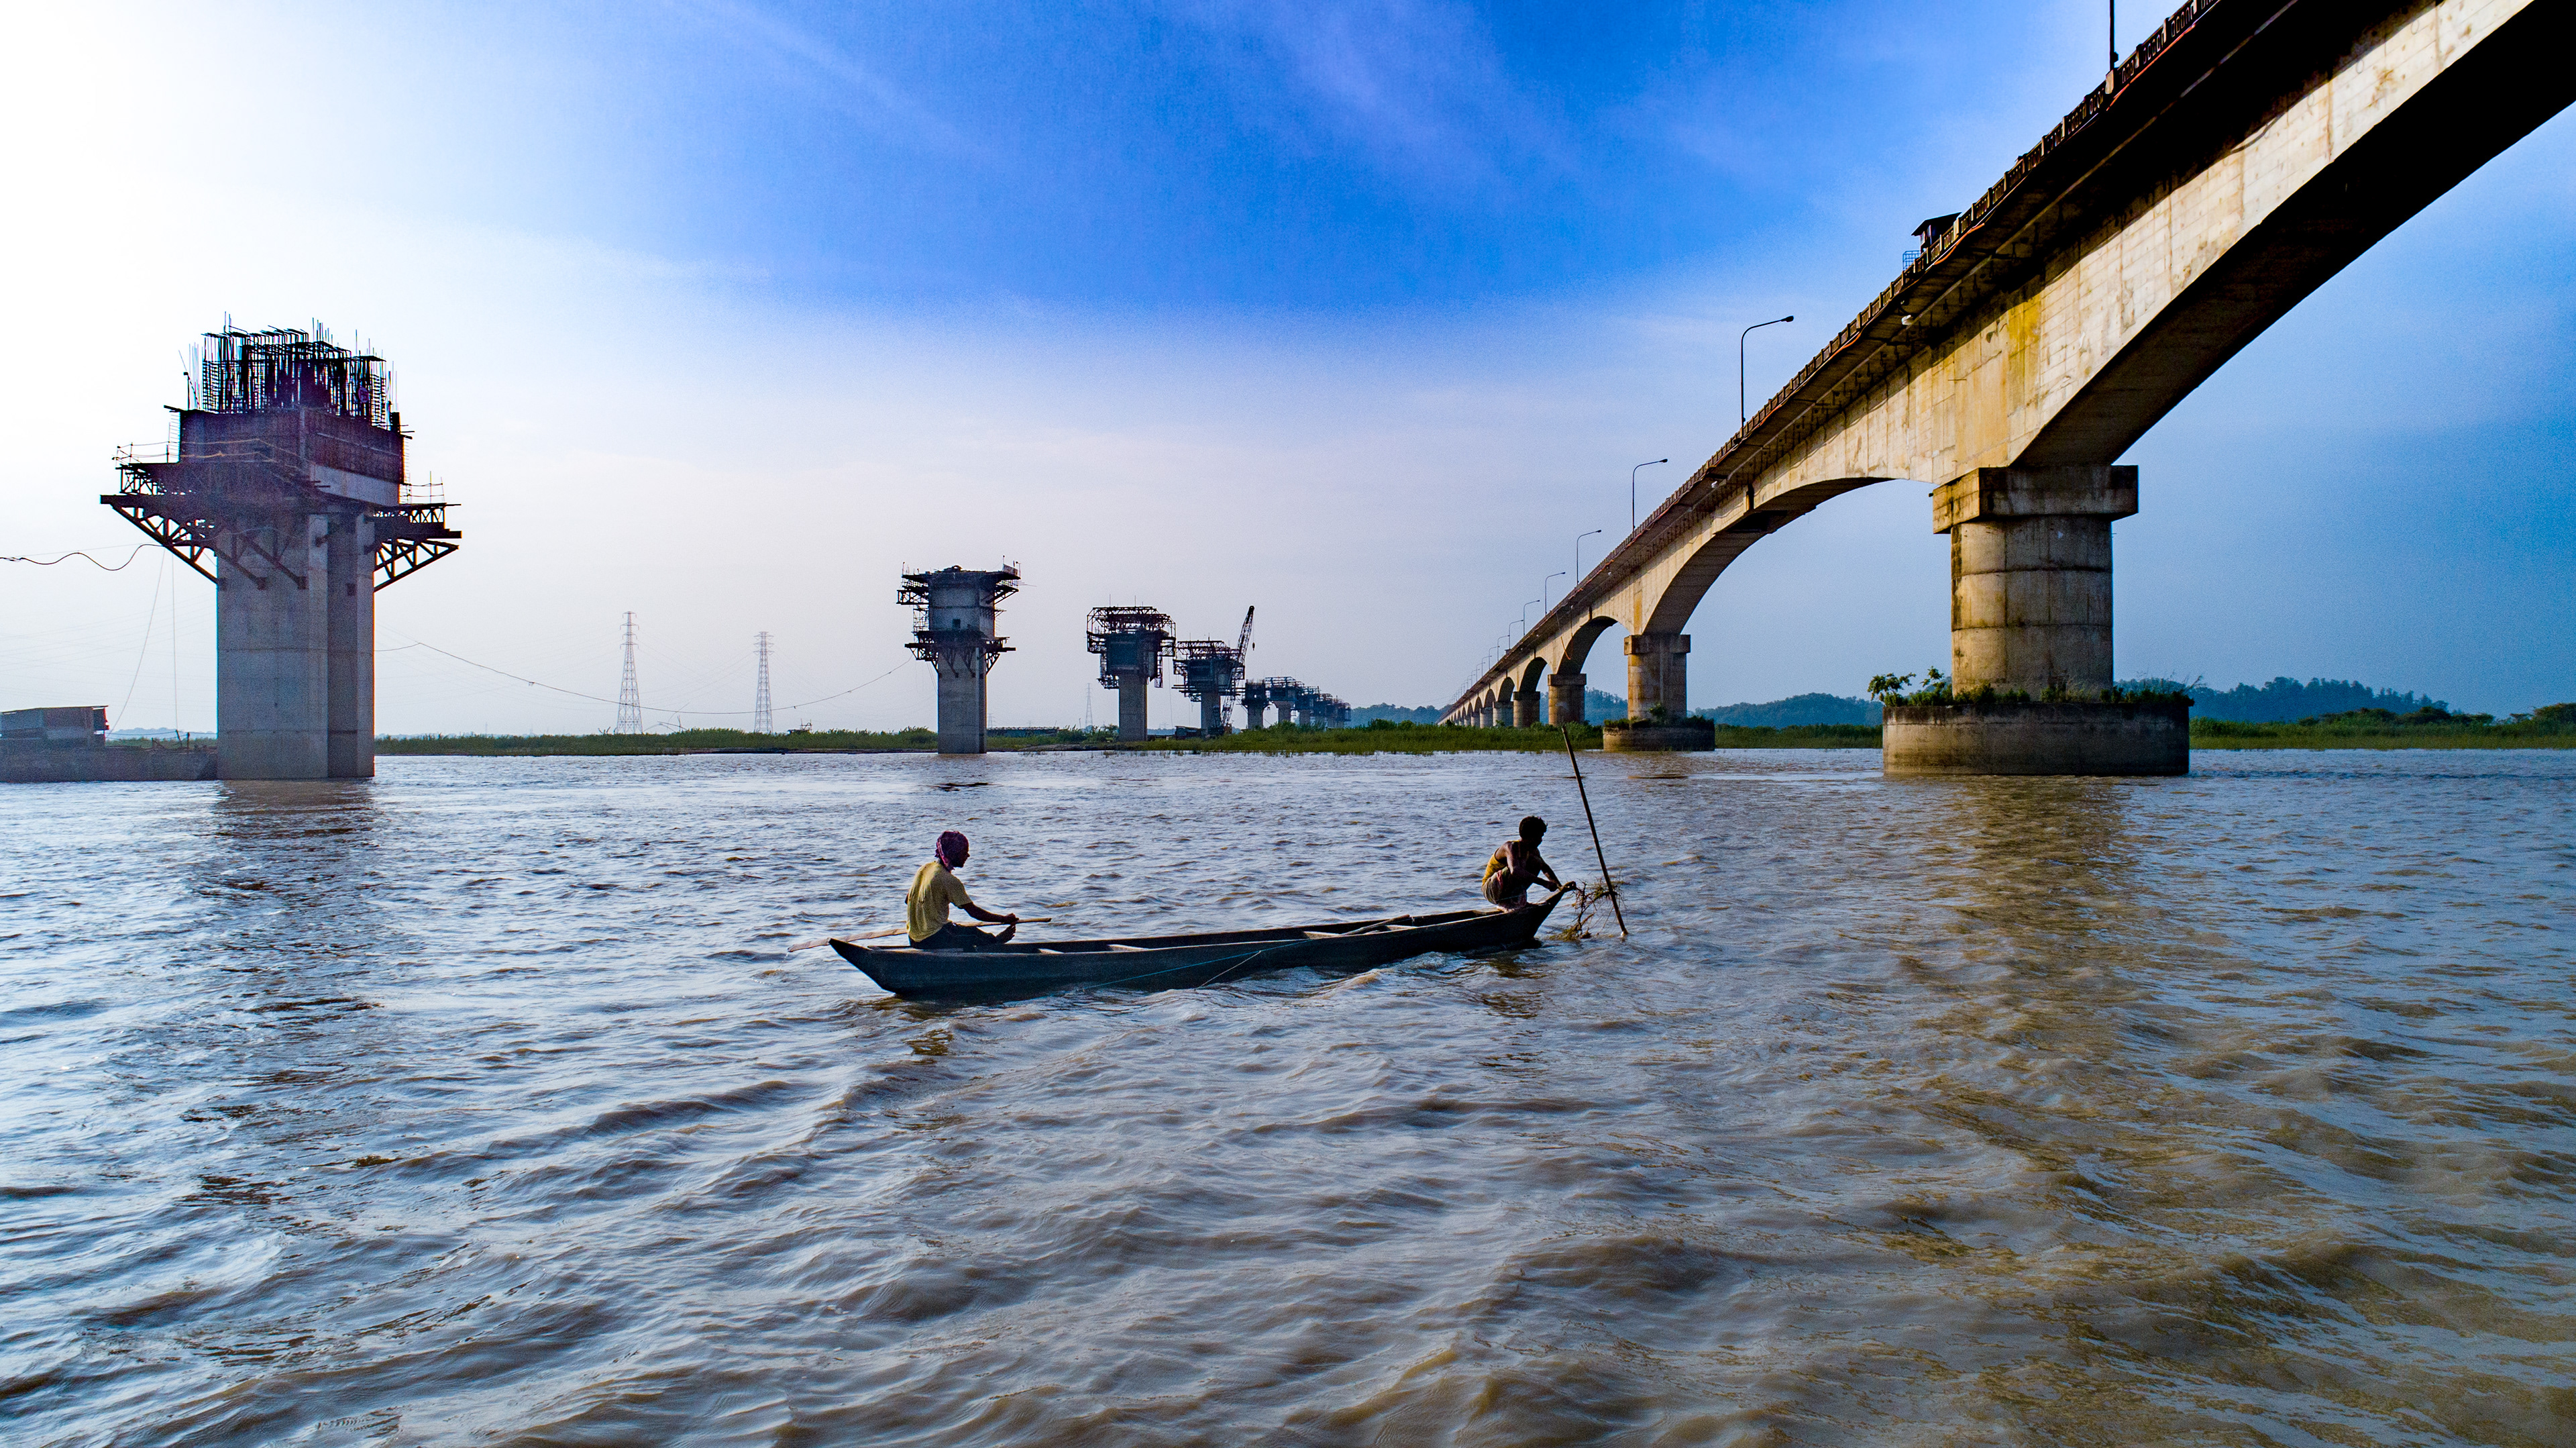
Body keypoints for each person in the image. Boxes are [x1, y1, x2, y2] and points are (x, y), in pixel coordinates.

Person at [908, 830, 1021, 949]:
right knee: (974, 939)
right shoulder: (949, 880)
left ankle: (994, 941)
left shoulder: (924, 869)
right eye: (964, 853)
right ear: (953, 854)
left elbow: (908, 900)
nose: (967, 856)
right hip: (930, 940)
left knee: (973, 931)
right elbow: (974, 912)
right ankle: (996, 943)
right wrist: (1003, 919)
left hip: (914, 938)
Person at [1482, 815, 1564, 909]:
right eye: (1539, 837)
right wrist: (1544, 883)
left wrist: (1559, 887)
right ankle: (1506, 903)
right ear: (1530, 837)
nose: (1541, 840)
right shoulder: (1511, 847)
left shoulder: (1533, 851)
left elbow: (1545, 869)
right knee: (1518, 867)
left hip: (1504, 889)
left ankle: (1515, 900)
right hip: (1490, 890)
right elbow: (1515, 871)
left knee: (1536, 863)